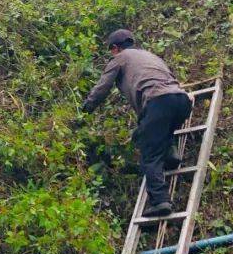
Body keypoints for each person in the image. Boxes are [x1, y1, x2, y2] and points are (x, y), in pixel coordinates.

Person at [80, 29, 192, 217]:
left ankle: (160, 201)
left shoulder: (120, 58)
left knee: (149, 154)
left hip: (158, 102)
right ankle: (170, 154)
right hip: (181, 100)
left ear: (115, 48)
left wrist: (86, 109)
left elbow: (103, 86)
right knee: (156, 130)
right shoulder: (150, 56)